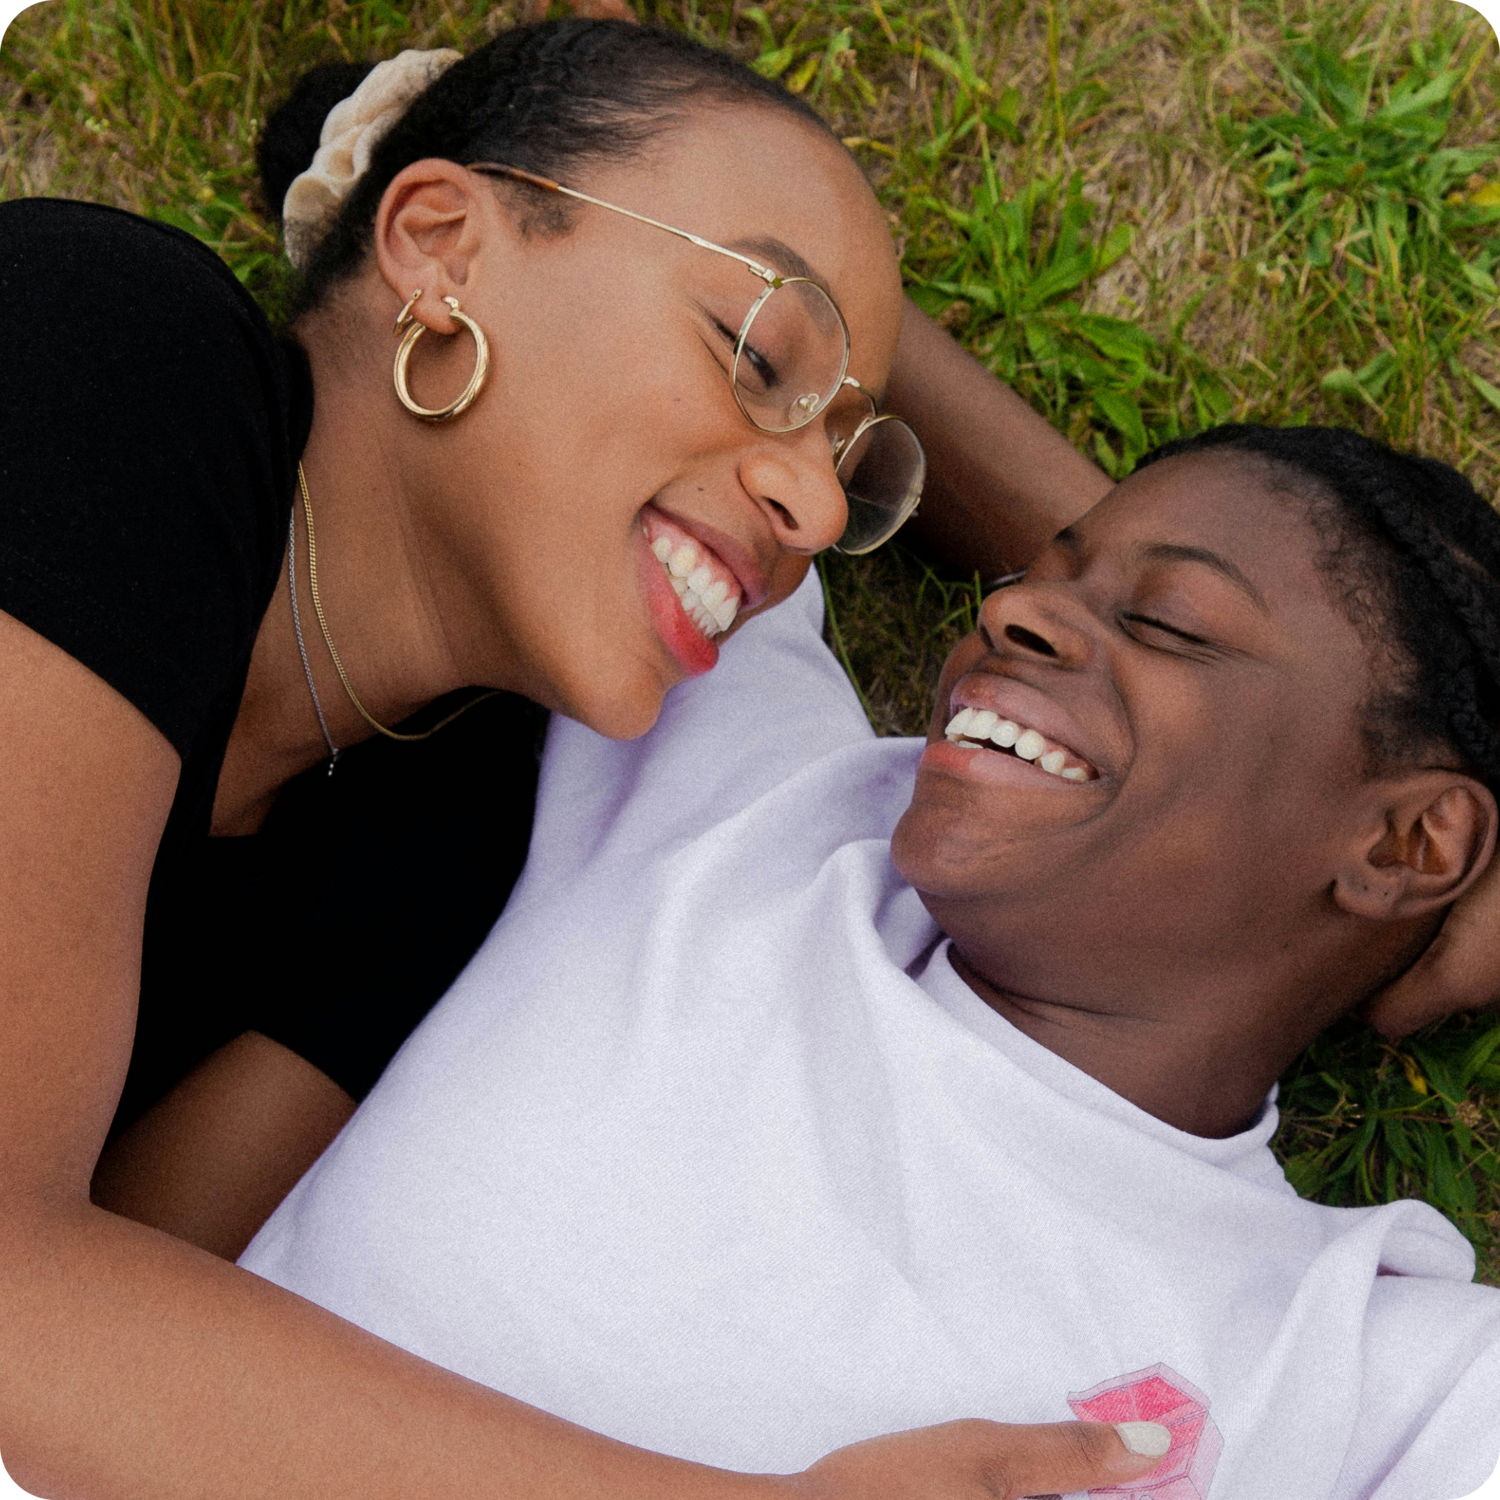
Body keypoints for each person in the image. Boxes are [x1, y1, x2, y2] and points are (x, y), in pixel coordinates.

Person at [0, 17, 1155, 1500]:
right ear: (440, 245)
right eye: (758, 355)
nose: (807, 508)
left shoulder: (454, 839)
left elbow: (118, 1351)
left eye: (850, 464)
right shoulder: (106, 366)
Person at [241, 424, 1500, 1500]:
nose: (1006, 608)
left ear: (1409, 840)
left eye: (1171, 622)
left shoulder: (1343, 1359)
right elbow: (681, 311)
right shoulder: (747, 790)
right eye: (1030, 572)